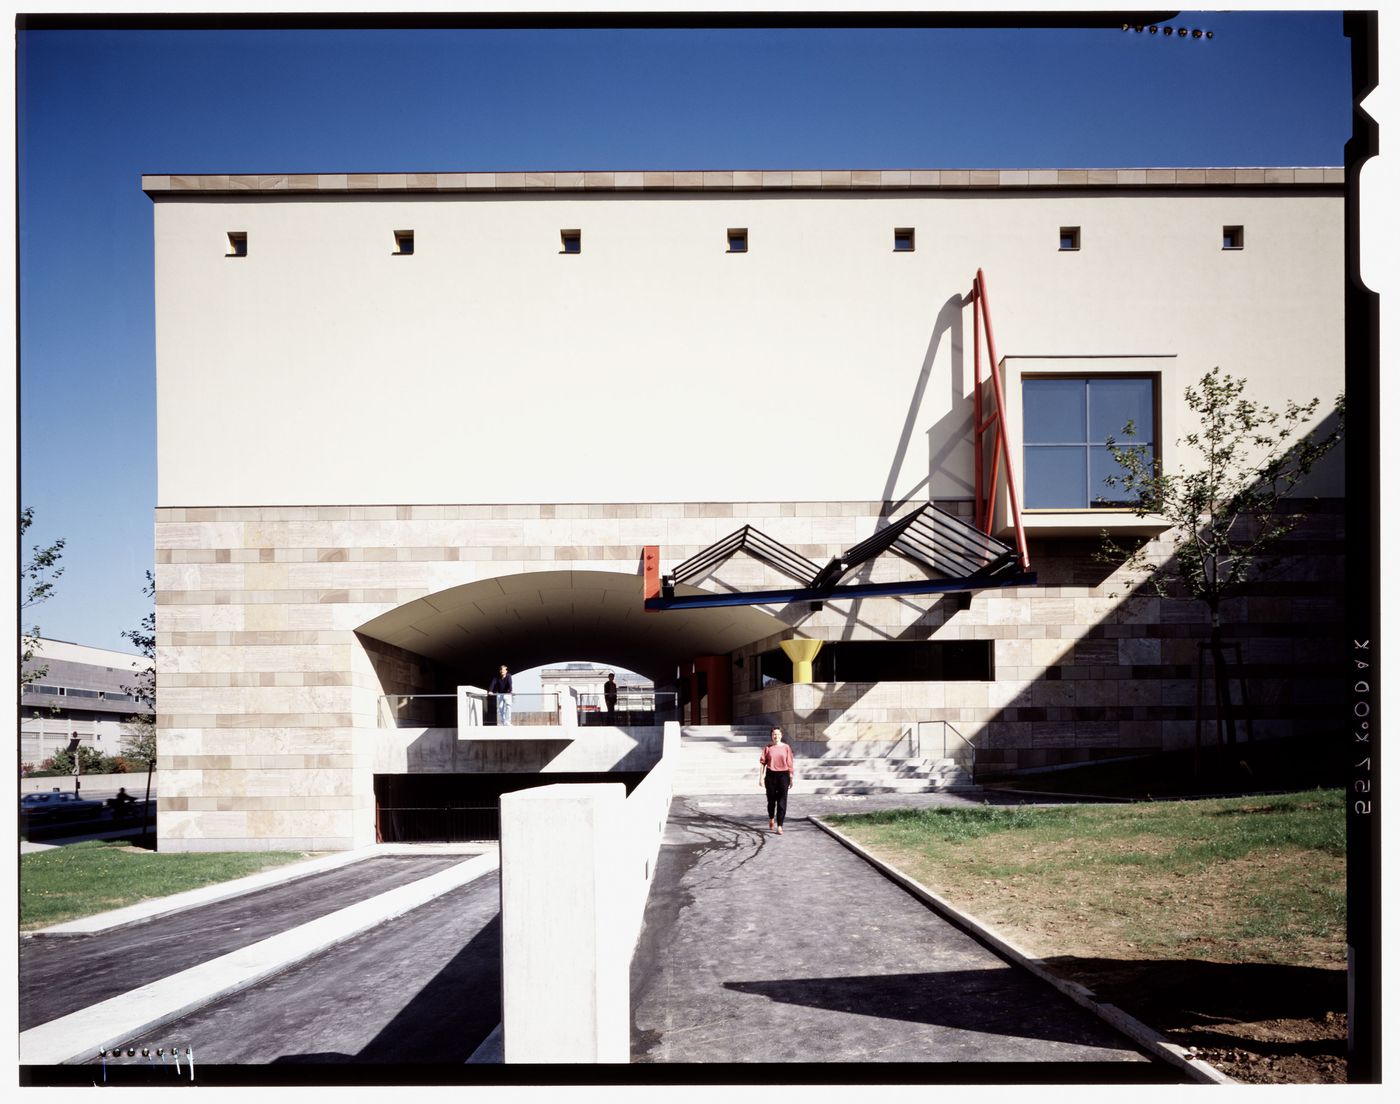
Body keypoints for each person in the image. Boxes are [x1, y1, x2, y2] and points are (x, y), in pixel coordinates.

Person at [758, 725, 796, 834]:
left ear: (781, 735)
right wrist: (761, 777)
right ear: (771, 735)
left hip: (783, 776)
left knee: (782, 801)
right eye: (774, 734)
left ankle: (780, 825)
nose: (776, 736)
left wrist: (791, 777)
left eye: (778, 734)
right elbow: (762, 763)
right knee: (771, 801)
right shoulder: (767, 748)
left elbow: (790, 763)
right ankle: (771, 817)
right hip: (770, 776)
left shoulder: (786, 747)